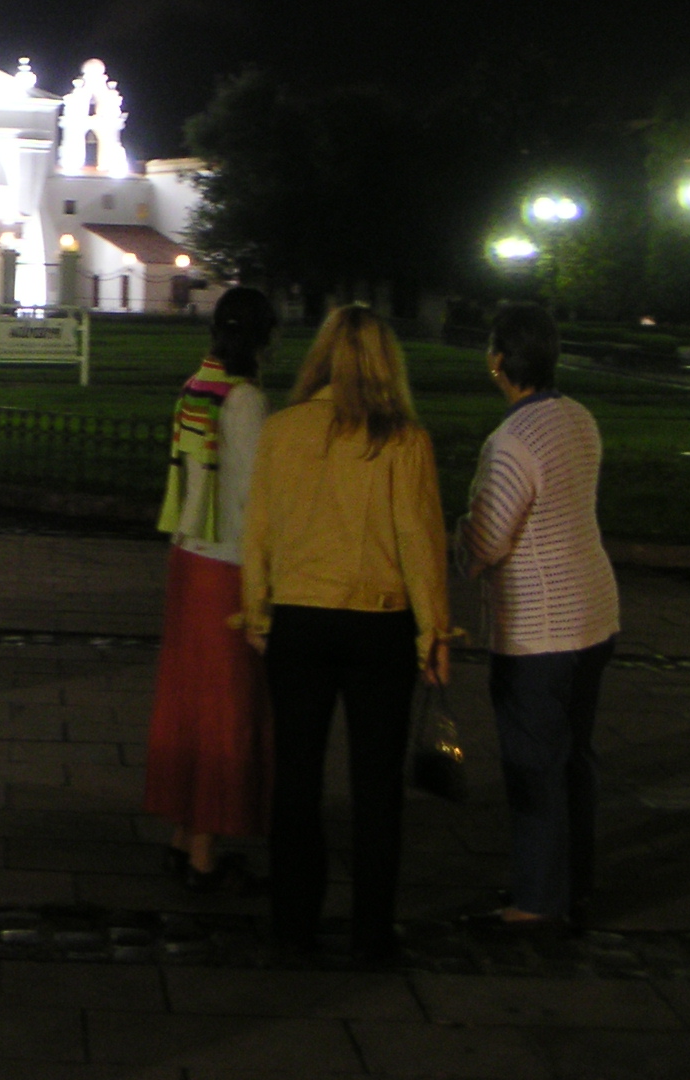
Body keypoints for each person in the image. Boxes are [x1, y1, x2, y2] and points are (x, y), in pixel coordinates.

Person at [241, 304, 450, 960]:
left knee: (296, 779)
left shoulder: (283, 430)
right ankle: (371, 931)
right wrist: (434, 636)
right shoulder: (402, 439)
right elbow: (420, 543)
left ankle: (293, 924)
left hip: (300, 619)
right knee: (376, 787)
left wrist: (257, 614)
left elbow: (259, 529)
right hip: (377, 623)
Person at [460, 303, 620, 930]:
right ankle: (572, 882)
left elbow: (488, 539)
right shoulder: (578, 418)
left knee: (534, 765)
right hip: (594, 612)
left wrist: (459, 536)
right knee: (575, 758)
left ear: (499, 361)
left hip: (539, 626)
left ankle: (536, 898)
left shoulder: (511, 442)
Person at [144, 286, 278, 891]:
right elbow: (255, 494)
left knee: (190, 700)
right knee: (227, 705)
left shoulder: (197, 386)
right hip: (227, 565)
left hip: (188, 554)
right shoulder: (245, 400)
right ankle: (204, 852)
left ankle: (183, 835)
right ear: (265, 339)